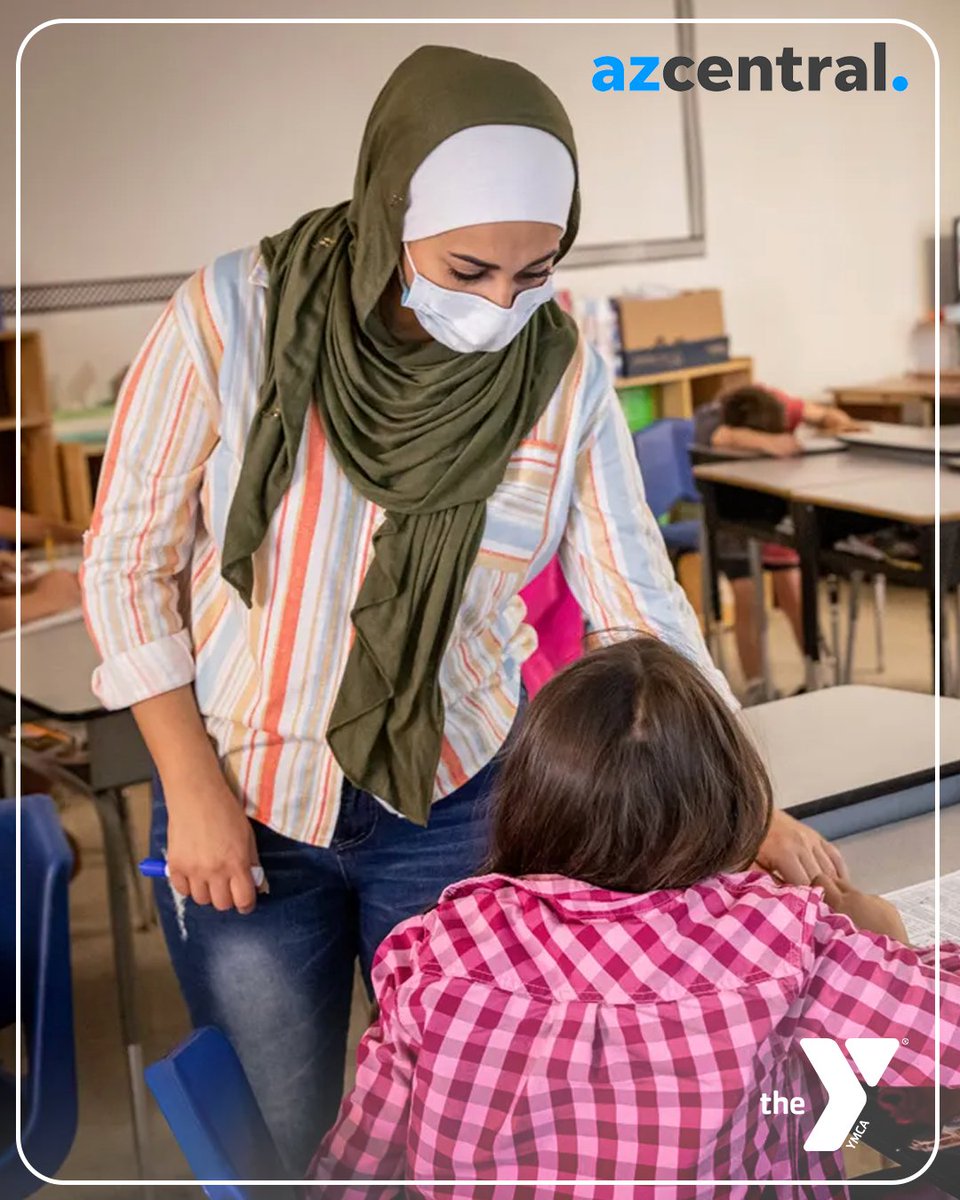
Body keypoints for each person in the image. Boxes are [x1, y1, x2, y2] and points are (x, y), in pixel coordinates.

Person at [81, 45, 845, 1171]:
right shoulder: (233, 318)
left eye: (533, 274)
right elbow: (125, 563)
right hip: (242, 793)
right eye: (469, 266)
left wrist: (743, 803)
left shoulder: (558, 367)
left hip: (458, 798)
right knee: (288, 1142)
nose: (500, 306)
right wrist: (191, 790)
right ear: (393, 208)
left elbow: (636, 593)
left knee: (469, 1127)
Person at [309, 637, 960, 1198]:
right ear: (729, 801)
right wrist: (884, 937)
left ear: (534, 794)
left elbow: (354, 1171)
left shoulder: (433, 949)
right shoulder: (785, 943)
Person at [693, 384, 863, 704]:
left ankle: (819, 670)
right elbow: (723, 436)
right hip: (732, 521)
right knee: (748, 598)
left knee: (793, 587)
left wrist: (836, 422)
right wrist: (771, 443)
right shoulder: (711, 417)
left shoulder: (781, 405)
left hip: (774, 510)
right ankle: (758, 687)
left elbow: (823, 413)